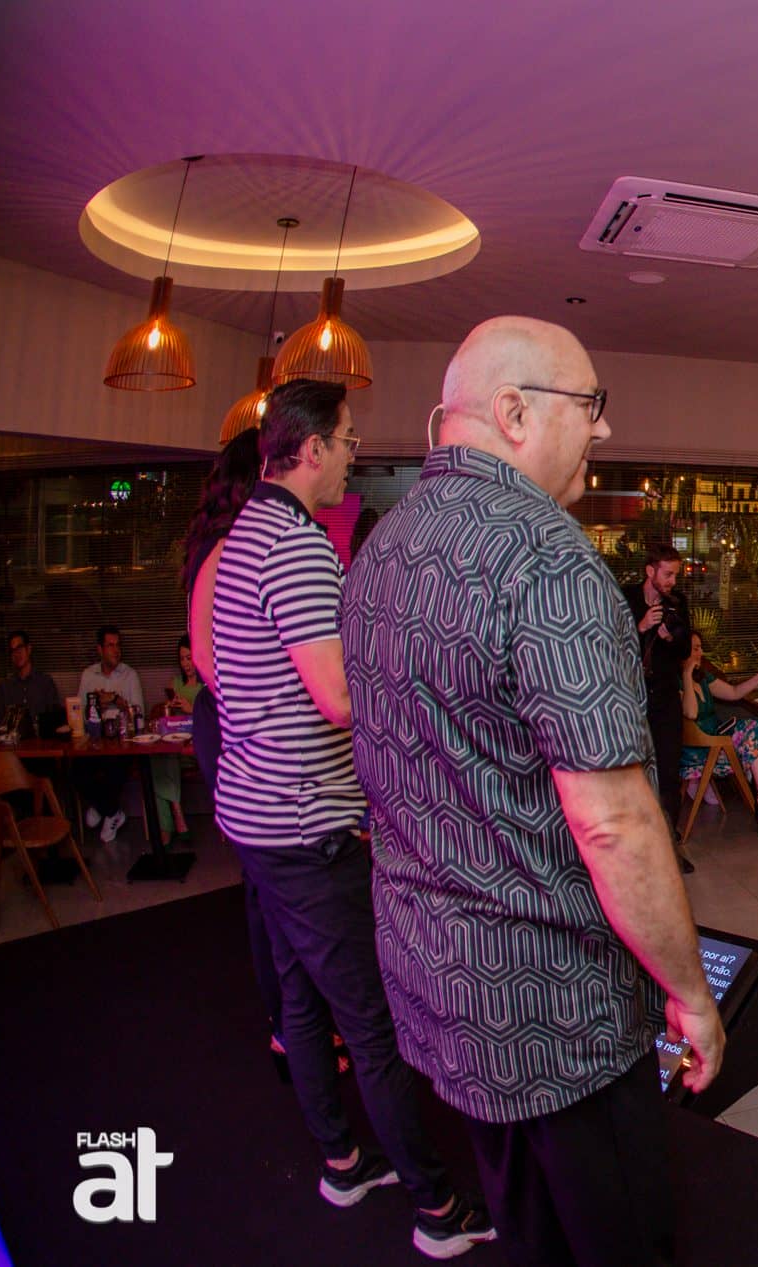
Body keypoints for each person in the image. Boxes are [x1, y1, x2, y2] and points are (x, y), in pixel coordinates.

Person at [341, 318, 715, 1264]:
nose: (602, 428)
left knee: (530, 1226)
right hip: (556, 1009)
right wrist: (690, 990)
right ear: (513, 412)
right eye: (590, 405)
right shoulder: (549, 558)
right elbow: (615, 825)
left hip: (440, 982)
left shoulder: (385, 546)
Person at [220, 378, 491, 1254]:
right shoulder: (296, 545)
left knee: (300, 998)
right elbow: (339, 696)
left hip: (255, 813)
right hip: (304, 824)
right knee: (370, 1022)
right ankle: (437, 1209)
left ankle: (342, 1161)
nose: (351, 458)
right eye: (345, 441)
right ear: (309, 449)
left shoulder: (242, 532)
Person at [180, 428, 274, 1072]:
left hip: (233, 722)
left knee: (266, 884)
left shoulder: (231, 542)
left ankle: (292, 1019)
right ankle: (286, 1024)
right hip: (232, 724)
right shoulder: (224, 548)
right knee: (266, 886)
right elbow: (211, 663)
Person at [680, 632, 758, 834]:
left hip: (718, 741)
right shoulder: (675, 682)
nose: (701, 653)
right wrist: (686, 675)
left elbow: (733, 693)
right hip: (700, 750)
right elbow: (690, 713)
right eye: (696, 648)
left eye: (701, 647)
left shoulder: (703, 677)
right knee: (757, 732)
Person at [623, 544, 694, 859]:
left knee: (668, 770)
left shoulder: (677, 603)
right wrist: (640, 627)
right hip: (631, 699)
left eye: (675, 575)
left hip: (665, 698)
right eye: (668, 574)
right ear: (650, 571)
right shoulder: (625, 598)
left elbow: (685, 651)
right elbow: (609, 644)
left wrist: (670, 637)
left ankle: (668, 847)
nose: (672, 581)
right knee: (632, 772)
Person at [75, 625, 144, 843]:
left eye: (118, 645)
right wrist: (95, 705)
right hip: (95, 741)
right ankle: (110, 810)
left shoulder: (129, 675)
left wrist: (115, 700)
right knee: (75, 770)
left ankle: (104, 809)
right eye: (110, 645)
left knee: (113, 766)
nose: (116, 650)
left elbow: (139, 714)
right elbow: (78, 714)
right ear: (100, 649)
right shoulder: (88, 675)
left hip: (121, 742)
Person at [143, 634, 196, 846]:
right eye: (182, 659)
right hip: (175, 744)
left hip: (195, 748)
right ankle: (173, 814)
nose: (186, 664)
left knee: (167, 759)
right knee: (156, 759)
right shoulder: (175, 684)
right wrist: (169, 709)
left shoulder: (208, 686)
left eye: (189, 658)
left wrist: (191, 709)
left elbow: (215, 720)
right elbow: (167, 722)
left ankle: (169, 823)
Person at [0, 629, 62, 737]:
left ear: (29, 649)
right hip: (13, 745)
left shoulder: (45, 682)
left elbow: (56, 720)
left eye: (19, 648)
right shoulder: (5, 687)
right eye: (13, 651)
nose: (17, 654)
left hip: (41, 744)